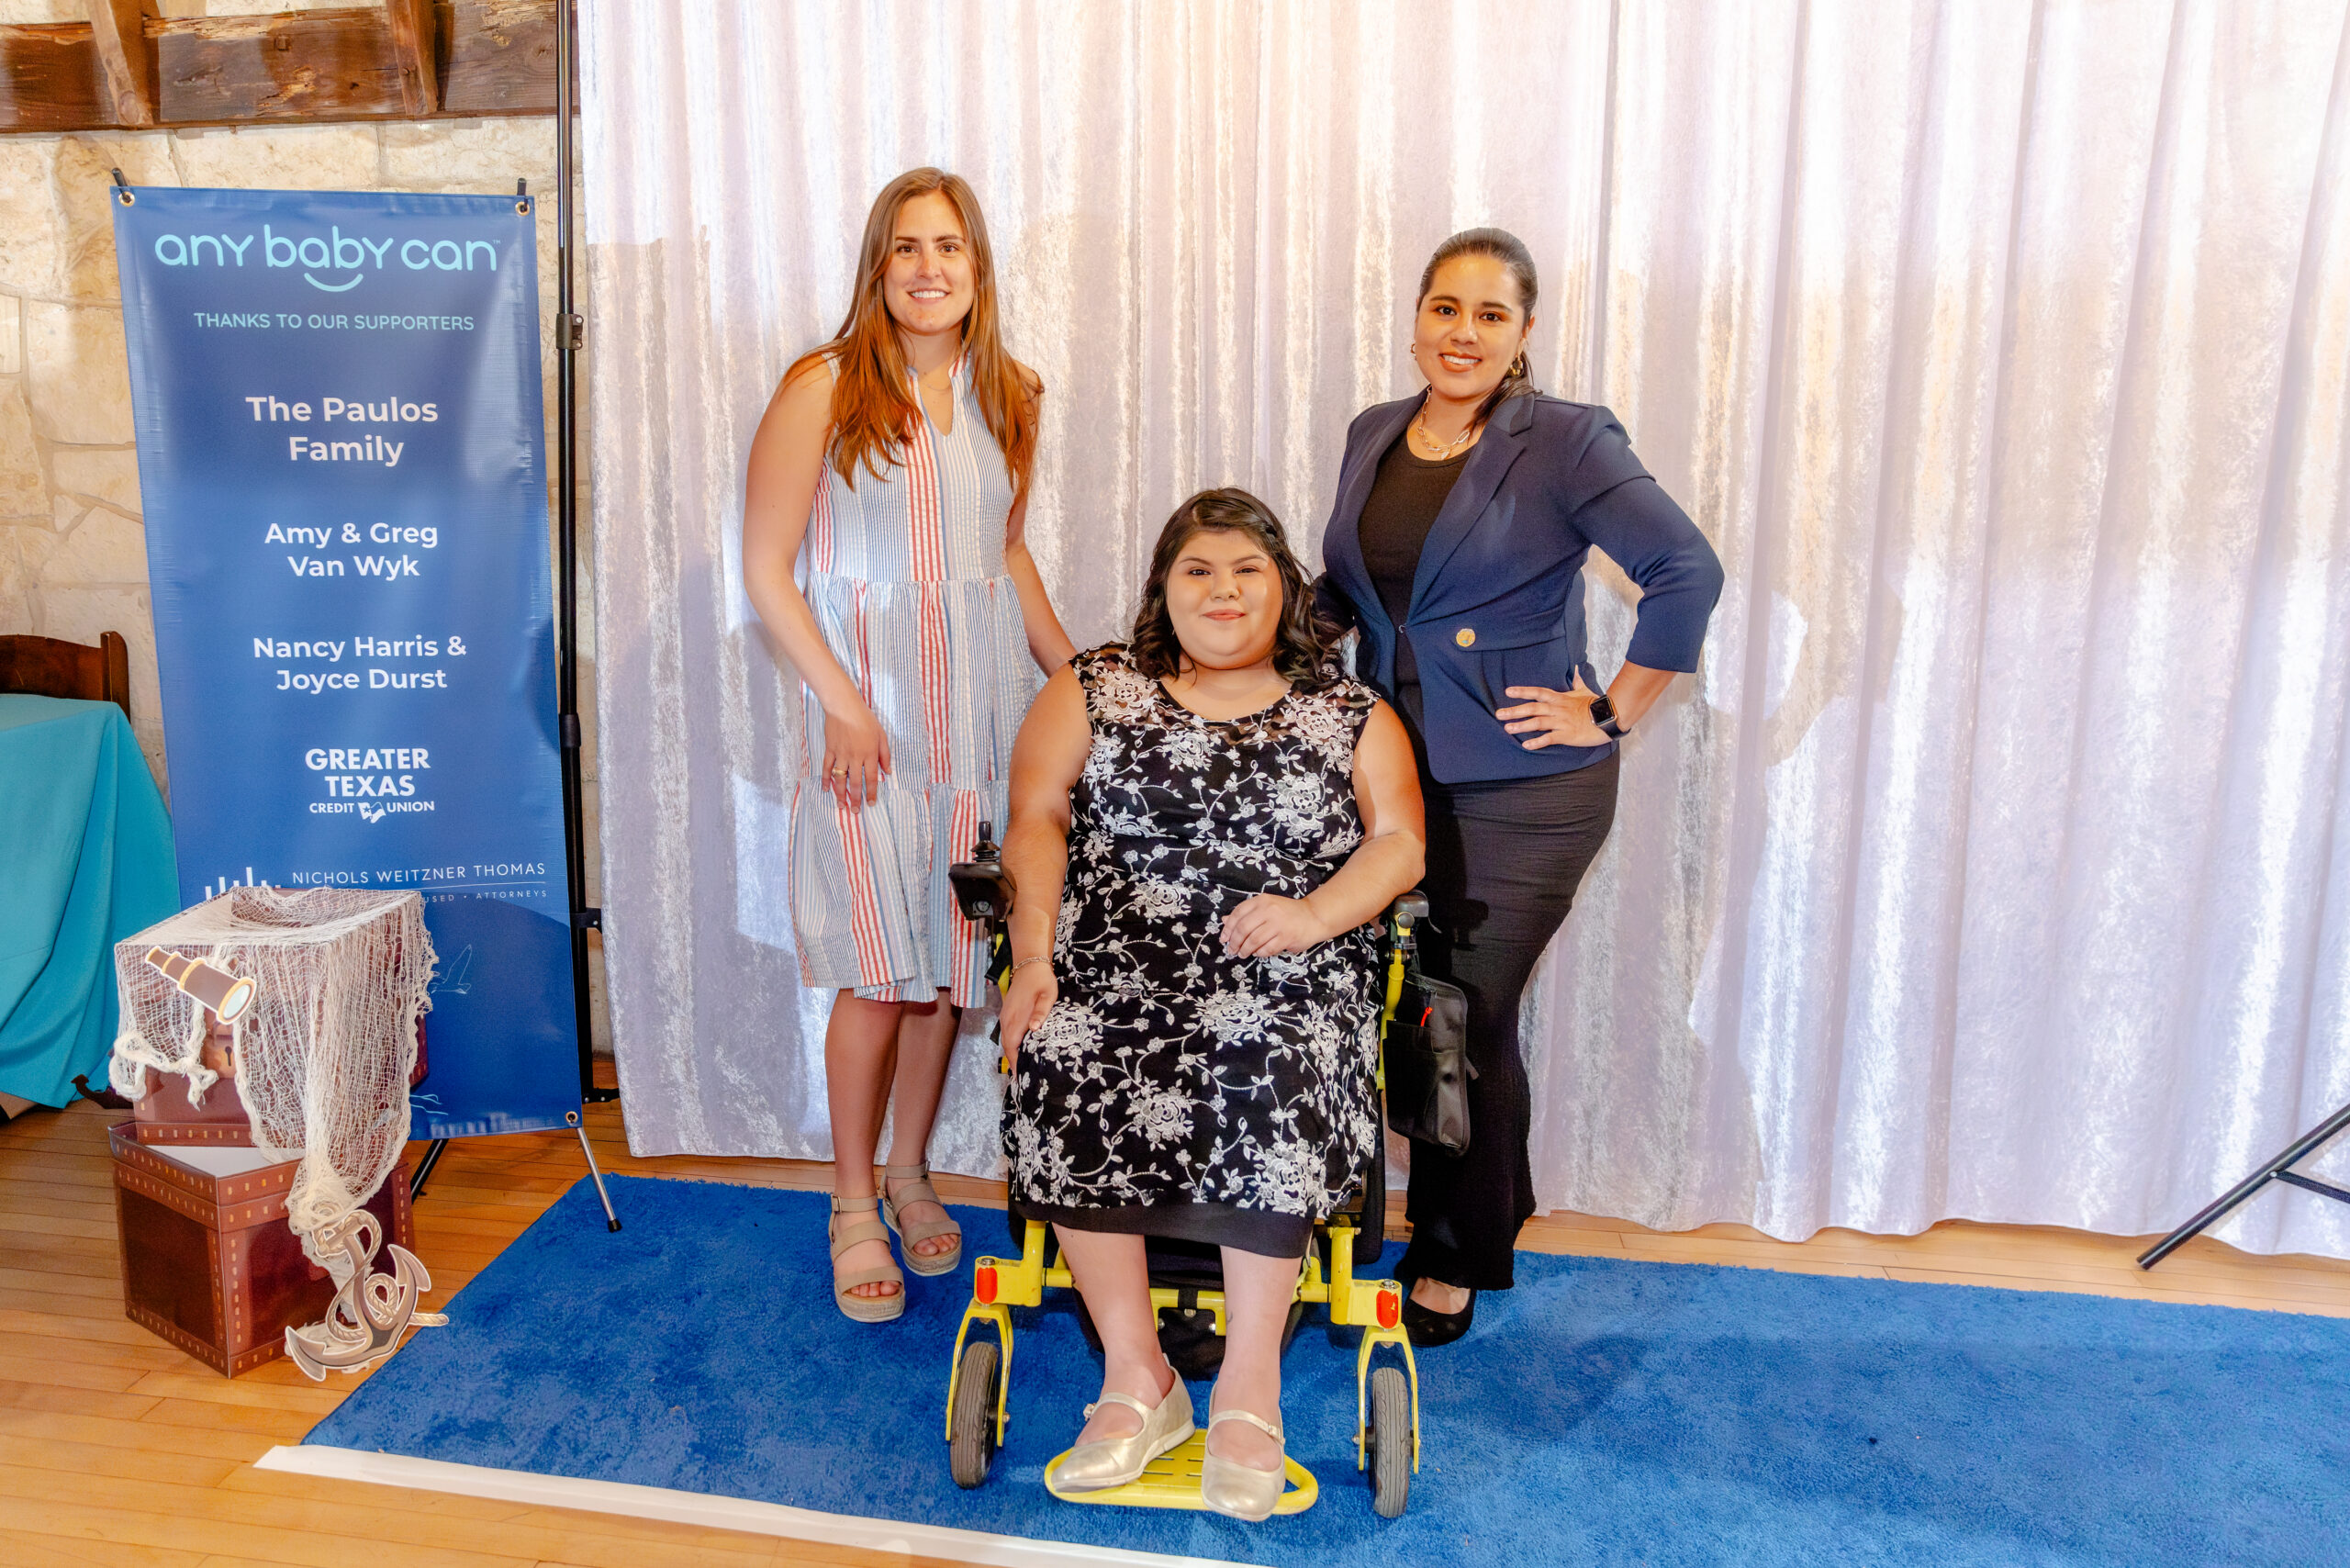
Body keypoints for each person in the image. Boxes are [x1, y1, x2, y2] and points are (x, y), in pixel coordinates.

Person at [1316, 228, 1724, 1345]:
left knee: (1459, 1012)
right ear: (1415, 317)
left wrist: (1613, 706)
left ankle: (1455, 1251)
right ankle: (1478, 1202)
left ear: (1524, 332)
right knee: (1420, 1007)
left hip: (1524, 789)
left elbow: (1686, 570)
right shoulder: (1374, 431)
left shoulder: (1567, 440)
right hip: (1395, 774)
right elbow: (1355, 593)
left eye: (1490, 315)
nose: (1463, 333)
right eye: (1445, 308)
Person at [996, 489, 1424, 1521]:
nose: (1223, 591)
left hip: (1287, 958)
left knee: (1266, 1054)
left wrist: (1314, 915)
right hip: (1116, 956)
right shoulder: (1094, 686)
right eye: (1198, 570)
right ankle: (1137, 1377)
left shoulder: (1350, 711)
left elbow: (1401, 843)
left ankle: (1247, 1390)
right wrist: (1035, 952)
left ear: (1285, 590)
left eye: (1246, 570)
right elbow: (1036, 815)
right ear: (1163, 587)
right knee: (1063, 1044)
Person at [742, 168, 1075, 1323]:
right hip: (871, 728)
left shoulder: (1012, 393)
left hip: (979, 724)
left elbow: (1005, 552)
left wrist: (1076, 675)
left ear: (978, 266)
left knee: (945, 968)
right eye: (906, 247)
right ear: (877, 267)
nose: (929, 268)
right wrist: (842, 701)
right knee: (879, 974)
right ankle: (849, 1204)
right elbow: (766, 567)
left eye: (949, 246)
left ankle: (910, 1170)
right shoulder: (823, 387)